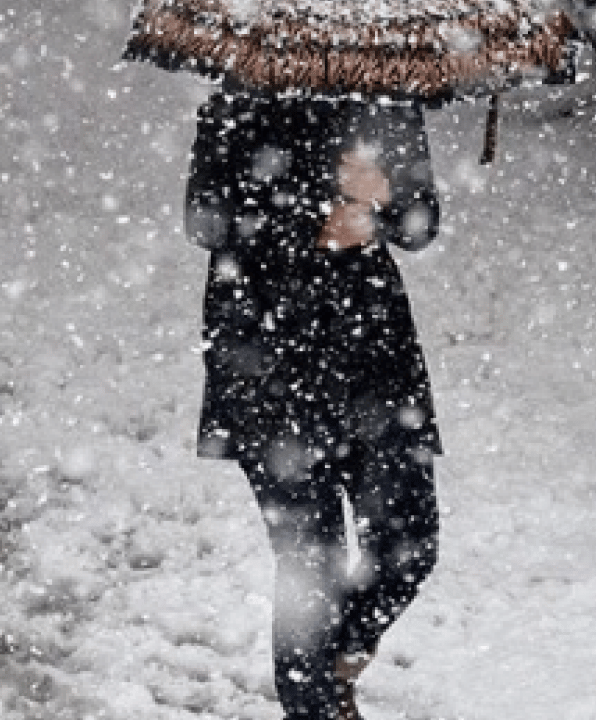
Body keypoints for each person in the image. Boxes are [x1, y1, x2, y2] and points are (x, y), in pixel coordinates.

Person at [185, 83, 442, 720]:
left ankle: (334, 662)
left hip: (374, 362)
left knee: (409, 541)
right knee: (311, 566)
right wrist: (313, 210)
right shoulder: (240, 97)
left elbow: (422, 222)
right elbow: (206, 221)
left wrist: (383, 201)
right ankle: (316, 704)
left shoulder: (385, 92)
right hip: (268, 361)